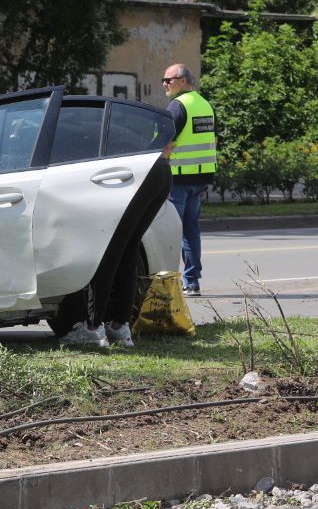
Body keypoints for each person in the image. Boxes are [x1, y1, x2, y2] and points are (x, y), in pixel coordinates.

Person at [61, 148, 174, 349]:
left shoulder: (87, 119)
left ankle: (92, 328)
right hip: (158, 167)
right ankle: (119, 326)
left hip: (130, 172)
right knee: (127, 250)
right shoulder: (124, 119)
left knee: (107, 252)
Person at [162, 63, 216, 297]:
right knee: (191, 230)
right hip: (200, 177)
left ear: (183, 80)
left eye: (169, 80)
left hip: (179, 177)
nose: (165, 84)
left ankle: (169, 285)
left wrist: (157, 168)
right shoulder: (204, 104)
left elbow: (166, 142)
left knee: (171, 231)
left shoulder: (178, 106)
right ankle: (192, 282)